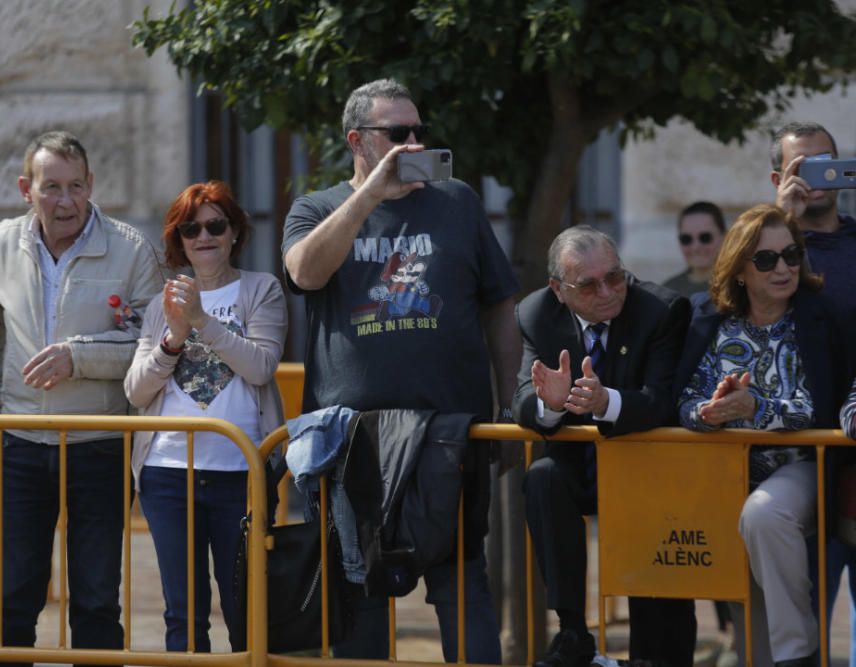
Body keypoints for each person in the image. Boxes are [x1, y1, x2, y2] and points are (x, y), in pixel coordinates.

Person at [281, 78, 521, 664]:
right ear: (357, 141)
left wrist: (509, 405)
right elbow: (304, 273)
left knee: (463, 585)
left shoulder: (457, 201)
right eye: (397, 134)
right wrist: (369, 196)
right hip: (353, 441)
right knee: (360, 597)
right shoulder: (316, 208)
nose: (413, 144)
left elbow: (499, 305)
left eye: (419, 131)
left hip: (449, 433)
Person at [0, 130, 163, 663]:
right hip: (22, 444)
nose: (67, 200)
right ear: (27, 189)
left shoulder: (131, 247)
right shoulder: (3, 242)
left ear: (91, 184)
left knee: (97, 600)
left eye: (76, 186)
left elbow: (154, 346)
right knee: (13, 599)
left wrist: (78, 356)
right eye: (52, 187)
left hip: (100, 443)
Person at [675, 204, 849, 667]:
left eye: (791, 254)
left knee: (764, 516)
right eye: (767, 259)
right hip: (723, 473)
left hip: (799, 466)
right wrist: (711, 412)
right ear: (740, 270)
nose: (784, 268)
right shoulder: (709, 321)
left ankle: (800, 654)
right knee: (746, 609)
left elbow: (819, 406)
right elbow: (685, 401)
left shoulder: (817, 316)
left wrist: (757, 407)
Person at [513, 225, 694, 667]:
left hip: (648, 468)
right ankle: (572, 628)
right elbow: (519, 403)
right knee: (542, 477)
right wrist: (549, 403)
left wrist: (604, 402)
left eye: (615, 276)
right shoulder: (536, 313)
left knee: (658, 636)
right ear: (558, 289)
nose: (609, 291)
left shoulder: (661, 310)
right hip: (581, 466)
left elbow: (661, 400)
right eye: (589, 284)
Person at [124, 180, 287, 652]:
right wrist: (172, 340)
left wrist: (201, 321)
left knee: (246, 610)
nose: (204, 236)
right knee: (183, 616)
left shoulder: (261, 289)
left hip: (243, 473)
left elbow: (260, 366)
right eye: (190, 228)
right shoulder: (160, 305)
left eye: (216, 224)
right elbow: (136, 390)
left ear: (235, 231)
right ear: (179, 241)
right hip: (168, 474)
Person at [771, 121, 856, 665]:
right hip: (799, 457)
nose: (817, 177)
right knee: (802, 628)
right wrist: (784, 223)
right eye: (804, 167)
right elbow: (739, 315)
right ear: (779, 177)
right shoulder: (766, 249)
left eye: (827, 162)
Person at [662, 201, 726, 297]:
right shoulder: (667, 292)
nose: (695, 247)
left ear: (725, 237)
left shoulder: (739, 286)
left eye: (705, 238)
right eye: (686, 239)